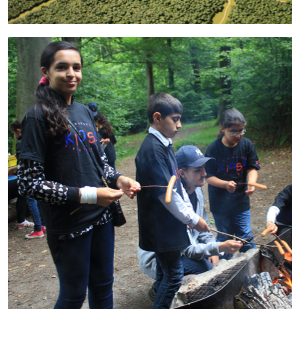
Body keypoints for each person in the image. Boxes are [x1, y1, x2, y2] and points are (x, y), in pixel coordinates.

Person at [18, 41, 139, 309]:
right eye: (62, 67)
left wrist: (119, 179)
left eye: (77, 67)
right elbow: (30, 184)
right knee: (73, 296)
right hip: (69, 224)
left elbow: (99, 164)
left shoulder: (84, 111)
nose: (71, 73)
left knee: (103, 287)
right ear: (45, 72)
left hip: (102, 218)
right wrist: (91, 195)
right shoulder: (37, 117)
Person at [137, 145, 242, 299]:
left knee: (225, 258)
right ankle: (159, 287)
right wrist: (216, 248)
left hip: (188, 246)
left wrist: (215, 250)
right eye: (197, 170)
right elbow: (188, 249)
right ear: (182, 173)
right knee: (205, 267)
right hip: (161, 257)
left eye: (204, 168)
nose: (204, 174)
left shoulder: (197, 192)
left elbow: (204, 226)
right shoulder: (174, 203)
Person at [135, 93, 209, 309]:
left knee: (165, 273)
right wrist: (192, 219)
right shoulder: (151, 150)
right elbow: (165, 196)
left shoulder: (165, 145)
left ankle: (156, 293)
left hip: (169, 225)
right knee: (174, 276)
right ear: (158, 118)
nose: (179, 124)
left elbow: (176, 187)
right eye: (175, 119)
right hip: (161, 228)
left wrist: (191, 214)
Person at [205, 108, 260, 248]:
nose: (238, 135)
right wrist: (225, 184)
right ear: (222, 128)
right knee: (224, 236)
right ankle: (224, 266)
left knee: (245, 235)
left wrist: (252, 182)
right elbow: (208, 176)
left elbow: (252, 168)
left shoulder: (246, 145)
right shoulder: (213, 149)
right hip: (219, 204)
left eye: (241, 130)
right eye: (234, 131)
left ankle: (250, 264)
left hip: (241, 201)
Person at [10, 119, 45, 238]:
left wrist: (11, 169)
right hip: (39, 173)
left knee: (31, 200)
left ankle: (38, 229)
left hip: (28, 176)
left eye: (14, 133)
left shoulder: (21, 142)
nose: (14, 136)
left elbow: (22, 163)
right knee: (40, 198)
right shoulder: (33, 138)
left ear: (18, 130)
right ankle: (43, 224)